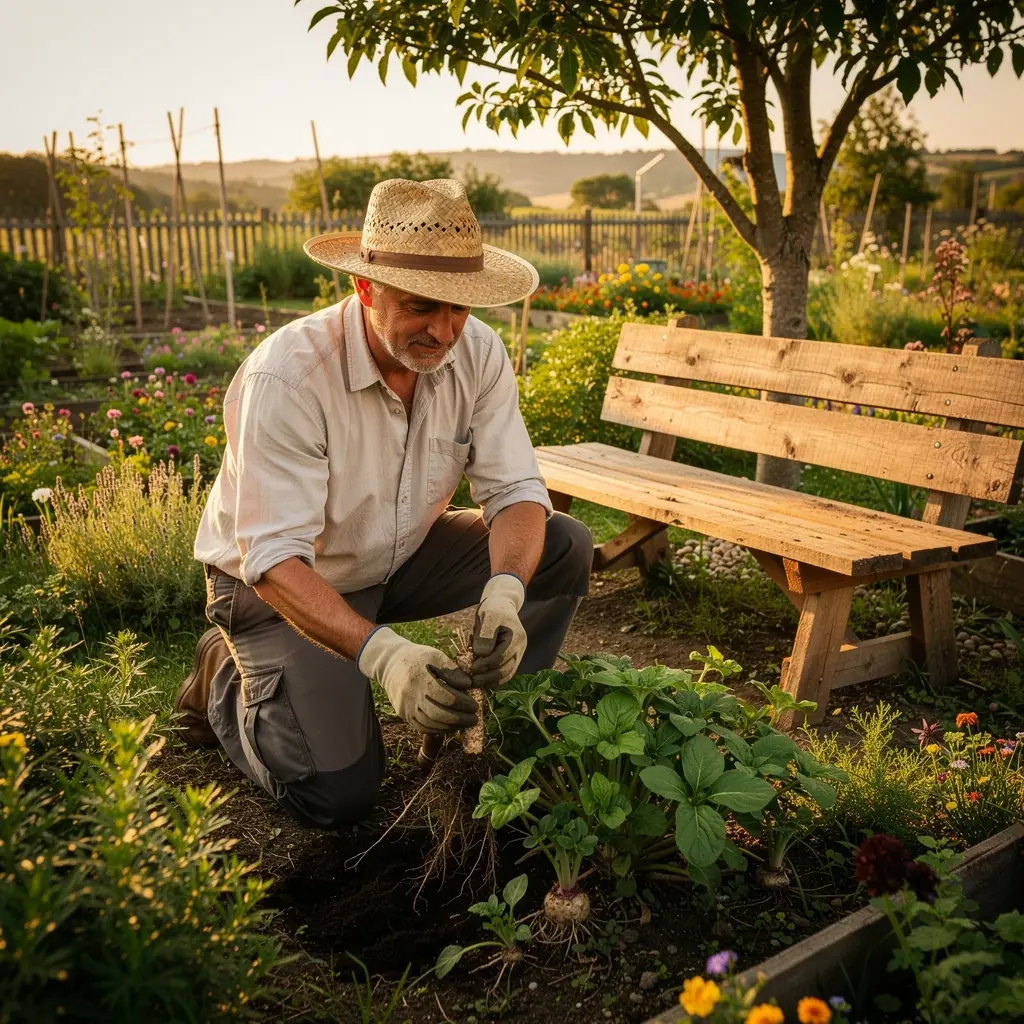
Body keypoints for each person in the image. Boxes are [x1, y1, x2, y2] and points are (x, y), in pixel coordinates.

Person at [176, 177, 593, 830]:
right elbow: (275, 557)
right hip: (281, 586)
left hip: (395, 558)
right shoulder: (288, 378)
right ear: (364, 288)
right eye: (422, 306)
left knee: (562, 545)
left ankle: (516, 726)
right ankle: (223, 676)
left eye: (459, 308)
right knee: (338, 793)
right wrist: (386, 656)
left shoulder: (476, 351)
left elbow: (514, 490)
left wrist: (507, 589)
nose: (445, 330)